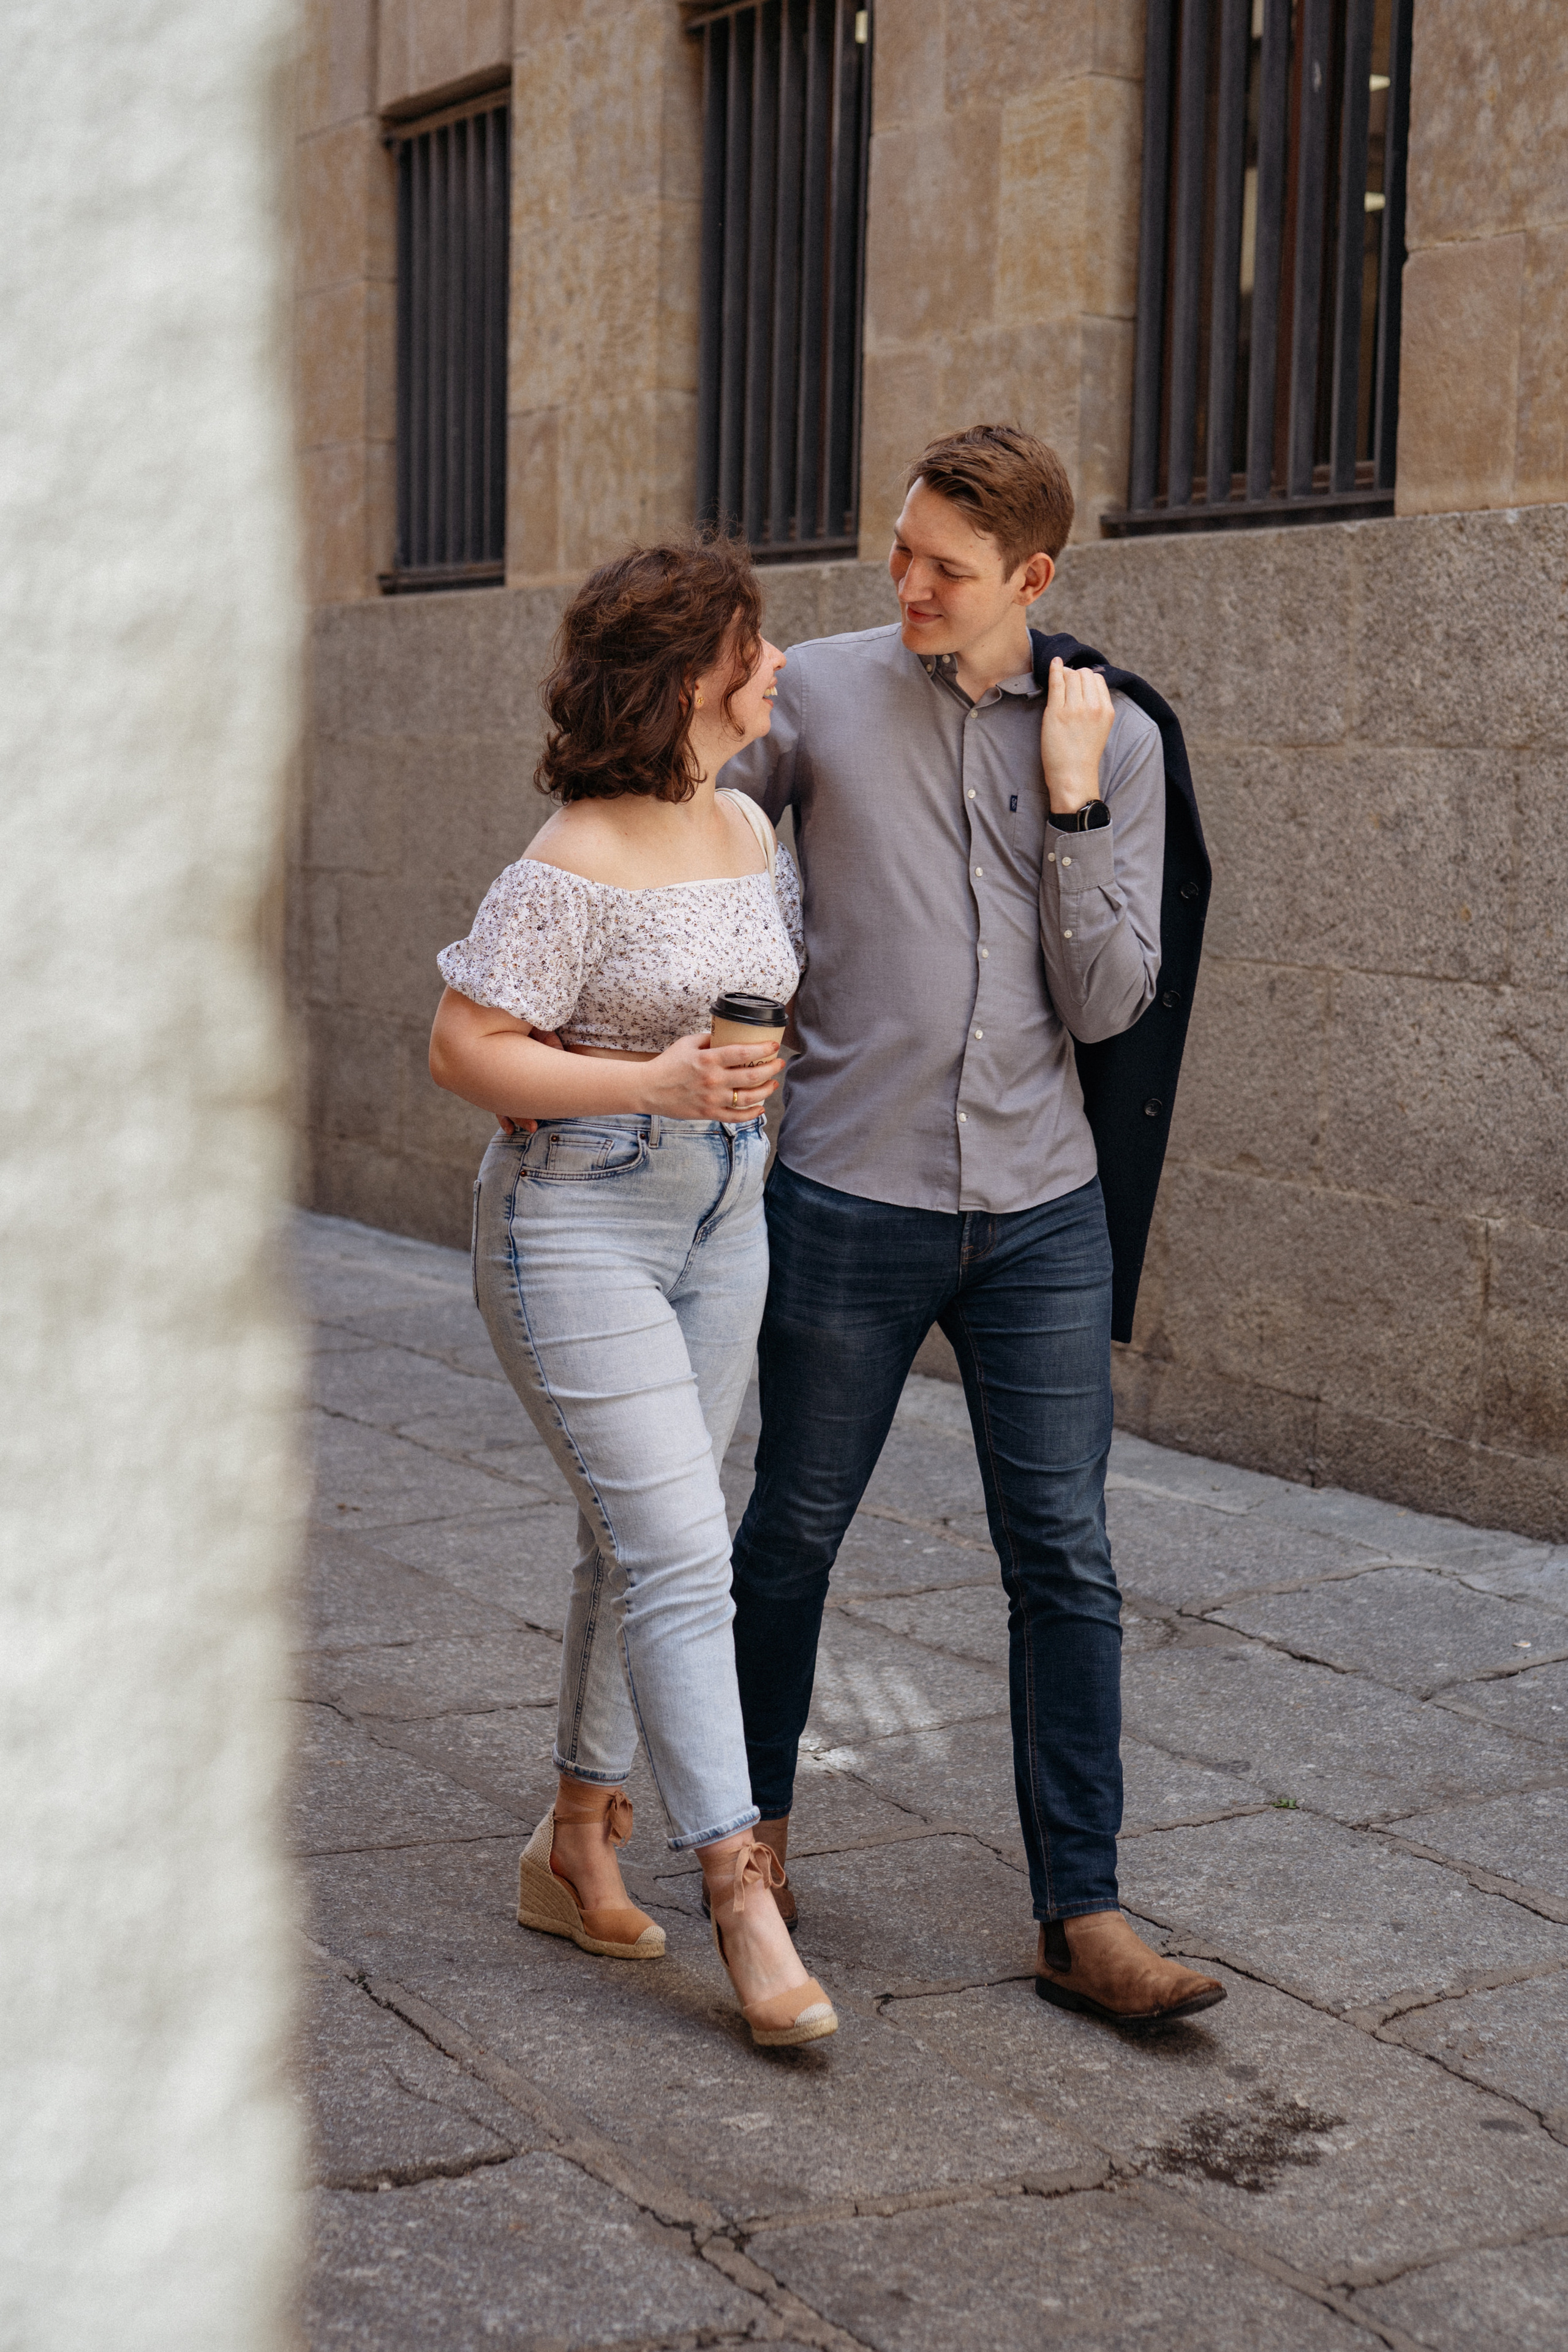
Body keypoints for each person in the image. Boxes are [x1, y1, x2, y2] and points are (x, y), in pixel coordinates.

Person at [723, 423, 1225, 2027]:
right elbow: (698, 843)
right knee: (788, 1539)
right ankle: (754, 1869)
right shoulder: (813, 694)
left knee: (1066, 1558)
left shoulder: (1118, 738)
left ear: (1033, 577)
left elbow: (1112, 998)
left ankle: (1083, 1915)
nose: (908, 582)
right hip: (845, 1195)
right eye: (900, 548)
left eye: (947, 565)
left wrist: (1072, 809)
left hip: (1041, 1213)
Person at [428, 537, 837, 2050]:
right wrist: (648, 1078)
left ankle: (574, 1841)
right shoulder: (570, 860)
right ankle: (740, 1892)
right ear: (688, 678)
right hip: (578, 1222)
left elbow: (751, 1008)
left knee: (637, 1536)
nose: (777, 662)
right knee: (678, 1551)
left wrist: (743, 1064)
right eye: (756, 641)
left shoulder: (739, 822)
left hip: (725, 1221)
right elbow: (464, 1051)